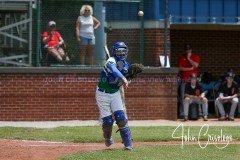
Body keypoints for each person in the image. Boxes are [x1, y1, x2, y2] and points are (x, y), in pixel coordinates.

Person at [95, 42, 133, 151]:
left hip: (115, 93)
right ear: (114, 51)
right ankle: (107, 138)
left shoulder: (126, 65)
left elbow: (125, 81)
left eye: (123, 51)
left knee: (120, 117)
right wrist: (123, 77)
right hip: (102, 93)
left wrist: (129, 77)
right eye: (119, 50)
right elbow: (114, 69)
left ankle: (128, 143)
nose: (121, 53)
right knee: (107, 121)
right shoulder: (111, 60)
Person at [178, 44, 200, 117]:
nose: (188, 50)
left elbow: (196, 65)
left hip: (193, 81)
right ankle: (183, 112)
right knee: (183, 96)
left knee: (197, 96)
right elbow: (180, 68)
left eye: (189, 49)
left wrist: (189, 59)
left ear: (191, 50)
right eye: (186, 49)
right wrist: (189, 69)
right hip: (184, 80)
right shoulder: (182, 57)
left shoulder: (195, 56)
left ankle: (199, 112)